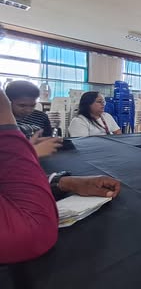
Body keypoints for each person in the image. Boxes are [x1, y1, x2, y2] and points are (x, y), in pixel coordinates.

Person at [0, 88, 58, 263]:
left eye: (32, 105)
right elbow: (32, 230)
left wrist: (60, 182)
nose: (27, 110)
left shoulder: (40, 118)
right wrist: (27, 152)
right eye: (21, 105)